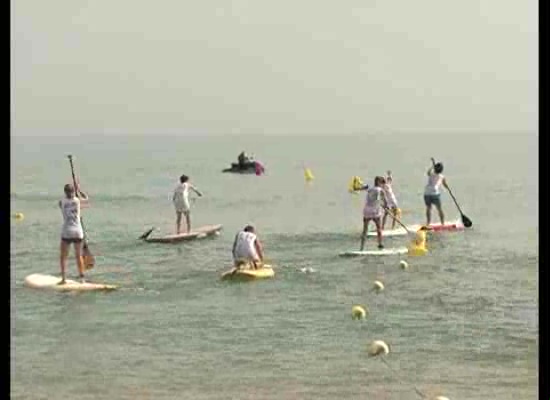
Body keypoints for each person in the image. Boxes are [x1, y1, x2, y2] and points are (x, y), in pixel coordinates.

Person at [58, 184, 85, 284]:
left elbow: (61, 204)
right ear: (73, 191)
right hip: (78, 232)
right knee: (78, 256)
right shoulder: (78, 200)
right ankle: (82, 279)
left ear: (65, 192)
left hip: (67, 232)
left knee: (63, 256)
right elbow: (86, 198)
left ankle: (64, 279)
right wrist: (79, 190)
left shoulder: (62, 201)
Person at [358, 176, 387, 250]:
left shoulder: (369, 188)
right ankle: (380, 245)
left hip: (366, 211)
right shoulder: (380, 190)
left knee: (365, 230)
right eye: (381, 183)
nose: (382, 185)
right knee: (379, 229)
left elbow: (362, 188)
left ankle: (361, 248)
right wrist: (386, 207)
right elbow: (385, 201)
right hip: (375, 212)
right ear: (378, 182)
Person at [424, 158, 449, 226]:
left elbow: (428, 172)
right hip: (435, 194)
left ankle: (428, 223)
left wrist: (432, 166)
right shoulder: (441, 176)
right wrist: (448, 188)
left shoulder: (431, 174)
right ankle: (442, 223)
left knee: (428, 208)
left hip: (427, 193)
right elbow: (445, 184)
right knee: (439, 209)